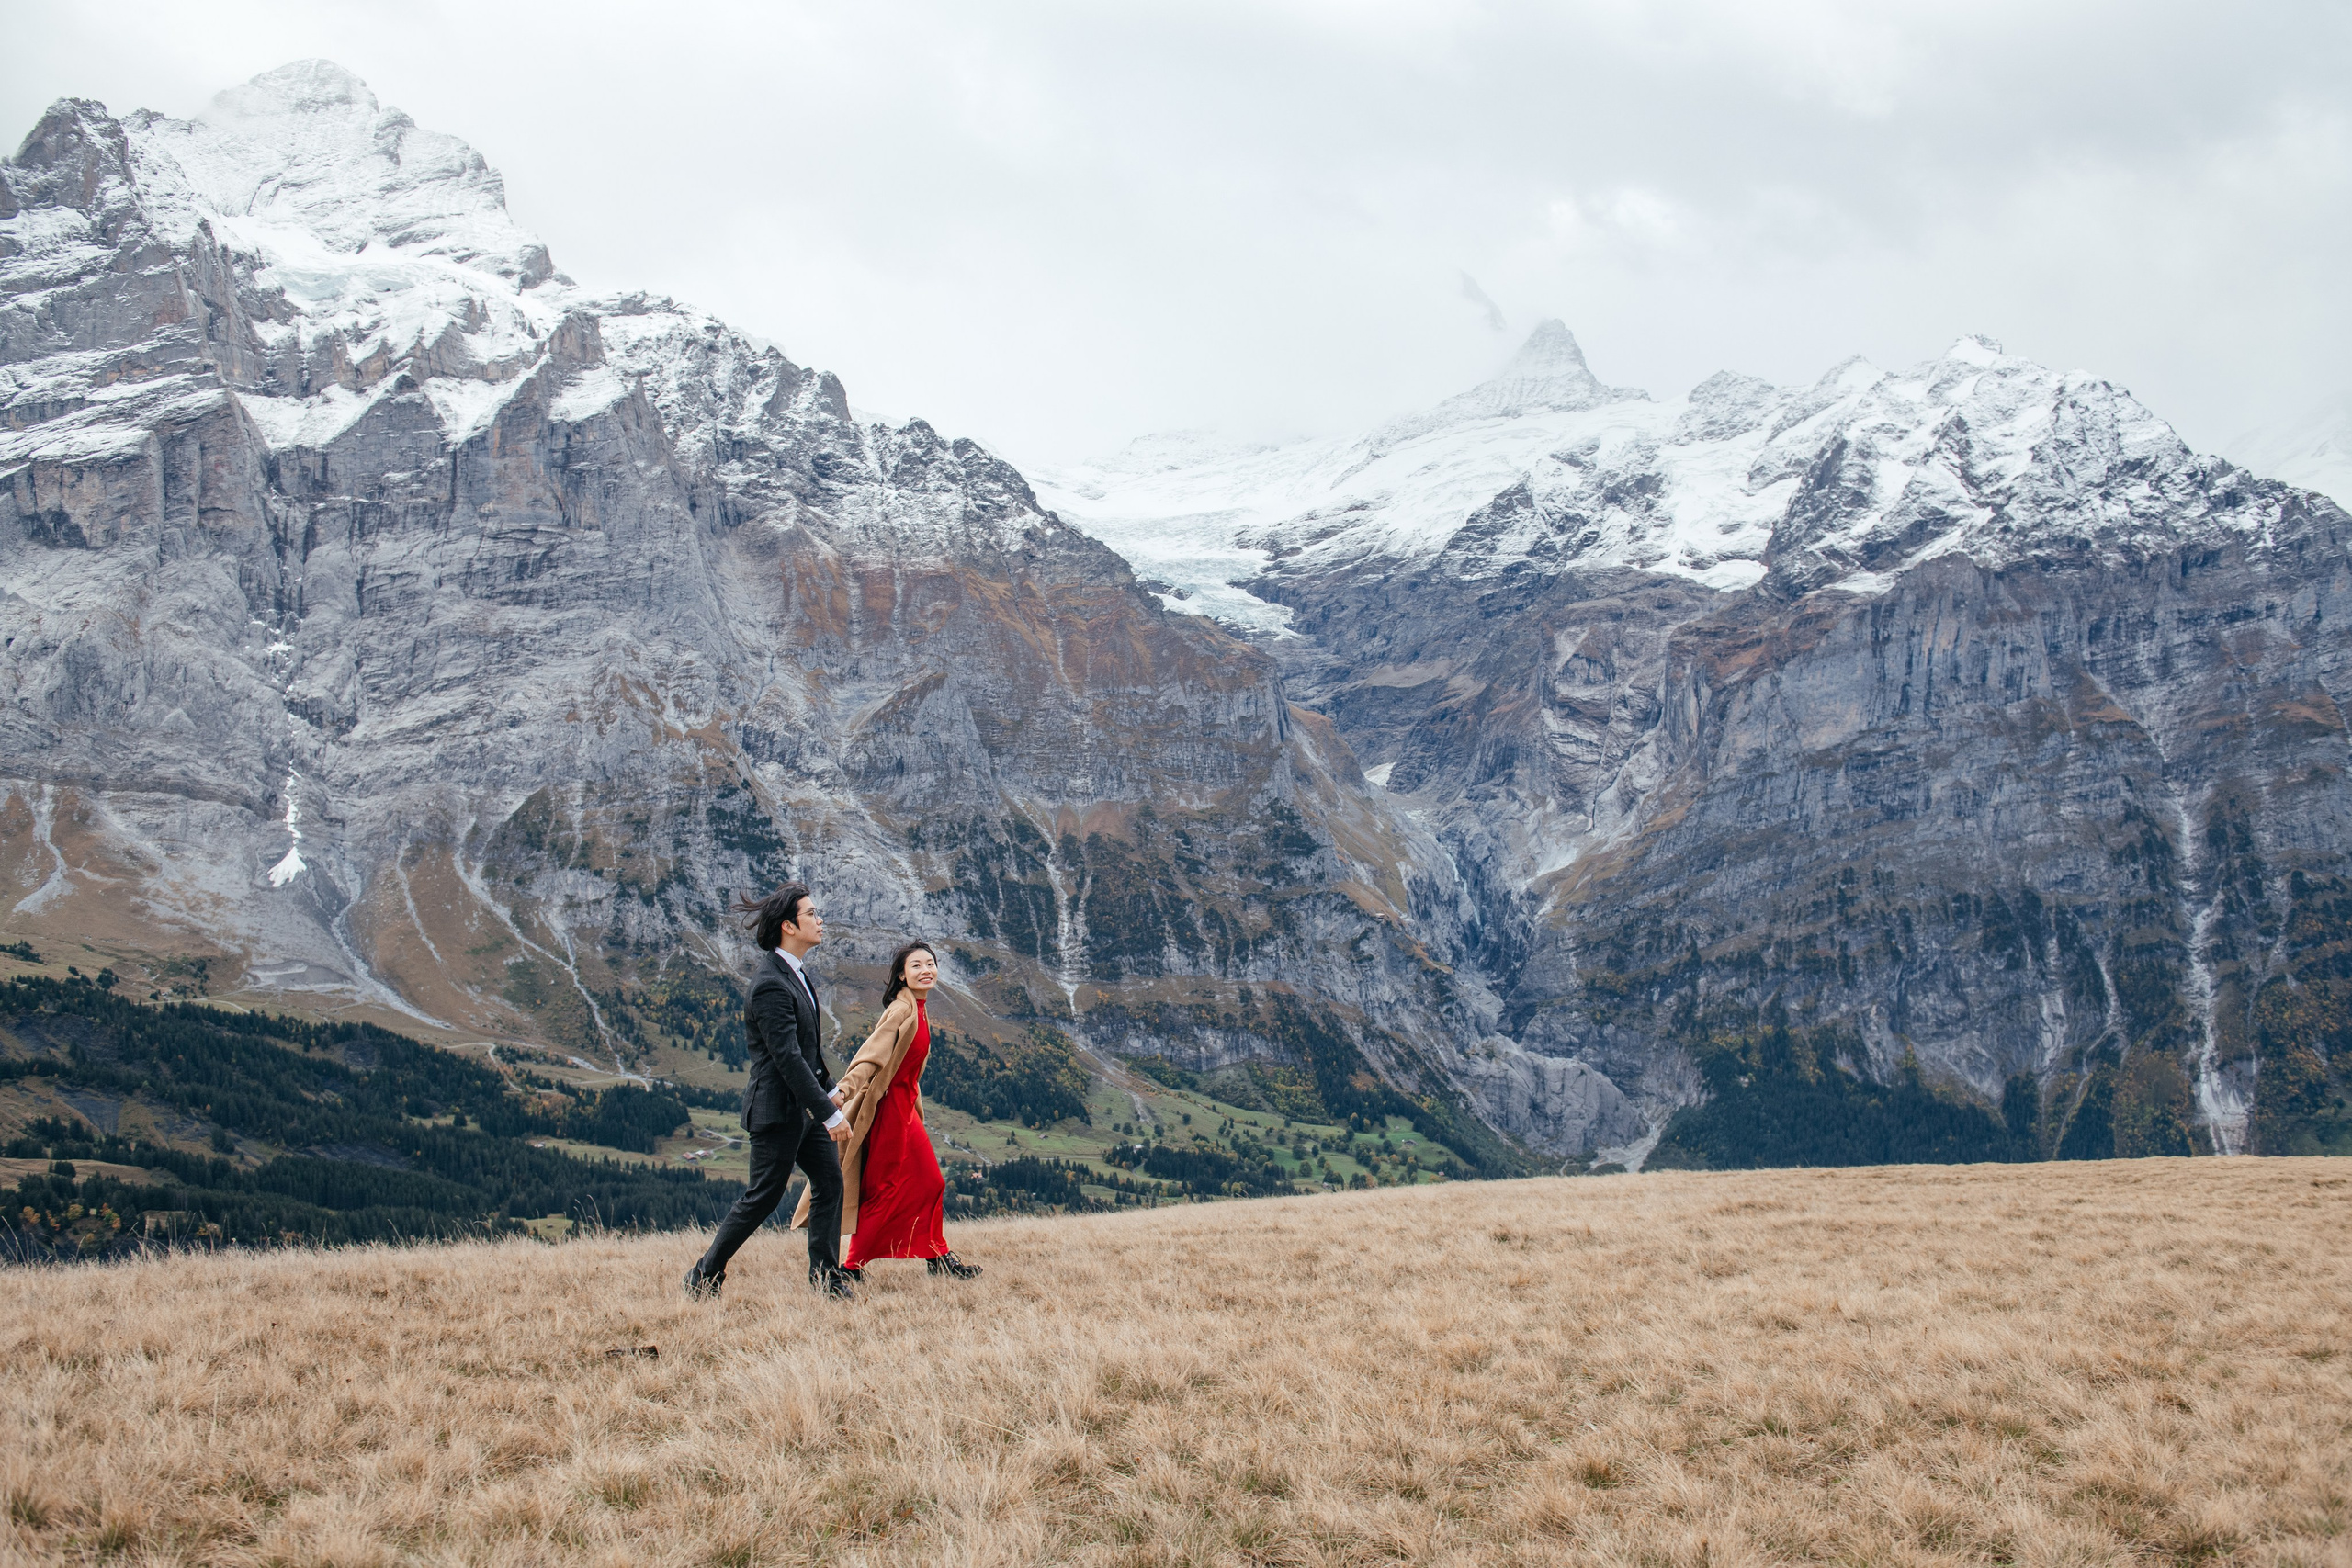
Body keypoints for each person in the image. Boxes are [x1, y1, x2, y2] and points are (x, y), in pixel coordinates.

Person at [683, 883, 857, 1302]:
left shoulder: (795, 973)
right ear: (788, 926)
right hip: (776, 1111)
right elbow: (786, 1058)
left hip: (803, 1109)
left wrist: (829, 1090)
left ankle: (826, 1278)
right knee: (762, 1197)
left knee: (830, 1182)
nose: (820, 920)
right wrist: (829, 1113)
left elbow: (809, 1052)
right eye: (812, 913)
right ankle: (704, 1274)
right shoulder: (769, 984)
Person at [794, 941, 981, 1281]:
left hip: (905, 1110)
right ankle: (853, 1265)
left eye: (930, 964)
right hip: (889, 1114)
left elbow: (908, 1073)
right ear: (901, 976)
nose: (926, 970)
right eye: (917, 966)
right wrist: (844, 1091)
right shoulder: (901, 1010)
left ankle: (936, 1253)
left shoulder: (920, 1007)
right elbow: (872, 1054)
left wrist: (915, 1110)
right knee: (886, 1187)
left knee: (929, 1183)